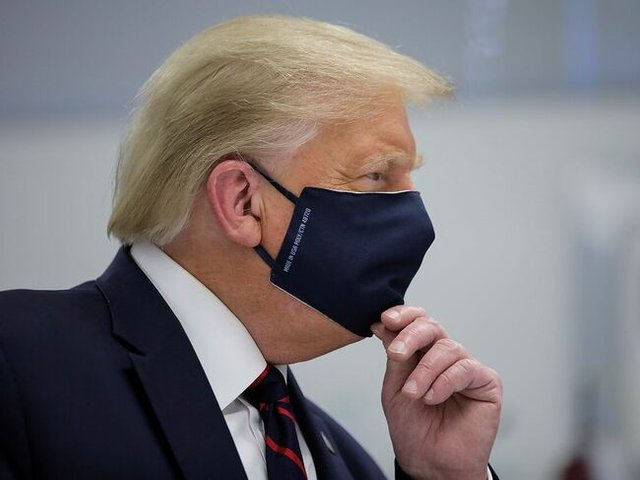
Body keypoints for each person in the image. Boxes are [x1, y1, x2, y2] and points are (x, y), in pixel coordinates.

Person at [0, 15, 502, 480]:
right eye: (376, 175)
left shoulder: (346, 460)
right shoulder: (18, 362)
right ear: (242, 201)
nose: (416, 218)